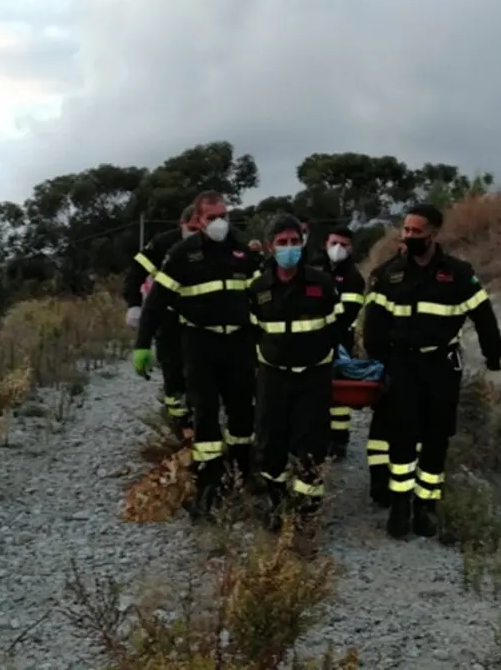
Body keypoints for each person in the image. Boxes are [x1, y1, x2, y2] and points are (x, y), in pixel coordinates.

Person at [362, 203, 501, 539]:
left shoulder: (458, 274)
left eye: (416, 231)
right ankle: (400, 505)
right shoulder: (388, 274)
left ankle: (426, 506)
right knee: (402, 436)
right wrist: (380, 363)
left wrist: (494, 362)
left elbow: (485, 319)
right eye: (406, 230)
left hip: (441, 365)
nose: (409, 236)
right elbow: (373, 327)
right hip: (401, 365)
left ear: (433, 234)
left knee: (437, 437)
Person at [133, 191, 261, 520]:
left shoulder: (241, 251)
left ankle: (244, 474)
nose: (219, 223)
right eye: (211, 217)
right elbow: (156, 301)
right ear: (199, 220)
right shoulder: (182, 254)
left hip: (239, 344)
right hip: (200, 345)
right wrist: (143, 344)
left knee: (241, 413)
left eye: (223, 215)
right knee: (204, 415)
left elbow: (266, 294)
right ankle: (209, 486)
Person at [249, 214, 343, 532]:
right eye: (282, 242)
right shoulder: (258, 289)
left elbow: (338, 327)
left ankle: (306, 513)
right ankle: (276, 502)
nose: (289, 248)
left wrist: (323, 357)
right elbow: (251, 334)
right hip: (273, 377)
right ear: (269, 247)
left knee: (312, 444)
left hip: (313, 377)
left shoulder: (322, 283)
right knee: (270, 443)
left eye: (294, 241)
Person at [123, 204, 198, 440]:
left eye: (200, 228)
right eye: (191, 228)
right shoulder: (164, 244)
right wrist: (134, 305)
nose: (195, 233)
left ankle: (201, 419)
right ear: (181, 224)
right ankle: (180, 422)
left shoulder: (213, 246)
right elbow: (135, 273)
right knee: (173, 370)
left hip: (201, 318)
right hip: (168, 315)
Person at [310, 226, 366, 459]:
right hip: (311, 338)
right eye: (334, 243)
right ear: (326, 243)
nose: (338, 248)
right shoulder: (313, 267)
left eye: (343, 245)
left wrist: (318, 313)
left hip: (340, 339)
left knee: (338, 394)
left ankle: (340, 440)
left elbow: (348, 312)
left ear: (351, 248)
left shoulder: (354, 277)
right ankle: (316, 437)